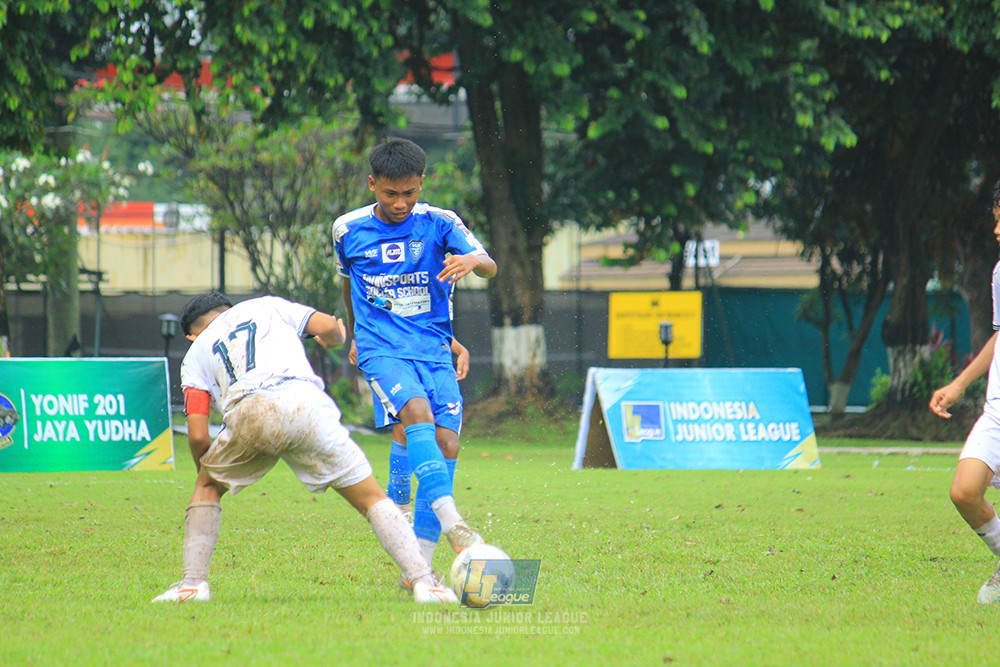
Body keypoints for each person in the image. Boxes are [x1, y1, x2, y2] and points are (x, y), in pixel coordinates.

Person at [152, 291, 457, 604]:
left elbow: (198, 434)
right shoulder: (263, 305)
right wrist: (336, 336)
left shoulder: (194, 355)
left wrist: (207, 471)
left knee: (206, 487)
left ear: (192, 335)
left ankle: (193, 585)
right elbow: (330, 328)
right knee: (371, 498)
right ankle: (425, 582)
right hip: (306, 405)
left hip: (250, 412)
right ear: (230, 309)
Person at [333, 137, 497, 579]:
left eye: (410, 192)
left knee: (448, 444)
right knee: (417, 416)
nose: (401, 202)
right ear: (372, 185)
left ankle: (417, 570)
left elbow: (489, 263)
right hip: (381, 346)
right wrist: (357, 334)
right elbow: (351, 285)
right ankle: (453, 522)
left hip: (433, 347)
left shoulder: (440, 223)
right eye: (391, 193)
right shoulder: (347, 230)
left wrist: (470, 262)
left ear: (422, 184)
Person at [930, 186, 1000, 604]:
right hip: (997, 408)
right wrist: (958, 385)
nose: (995, 229)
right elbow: (999, 337)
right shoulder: (999, 272)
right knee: (964, 491)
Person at [351, 337, 470, 523]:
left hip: (432, 359)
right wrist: (355, 337)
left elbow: (429, 323)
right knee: (405, 432)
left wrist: (460, 348)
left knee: (447, 442)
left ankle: (434, 512)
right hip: (393, 358)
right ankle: (400, 503)